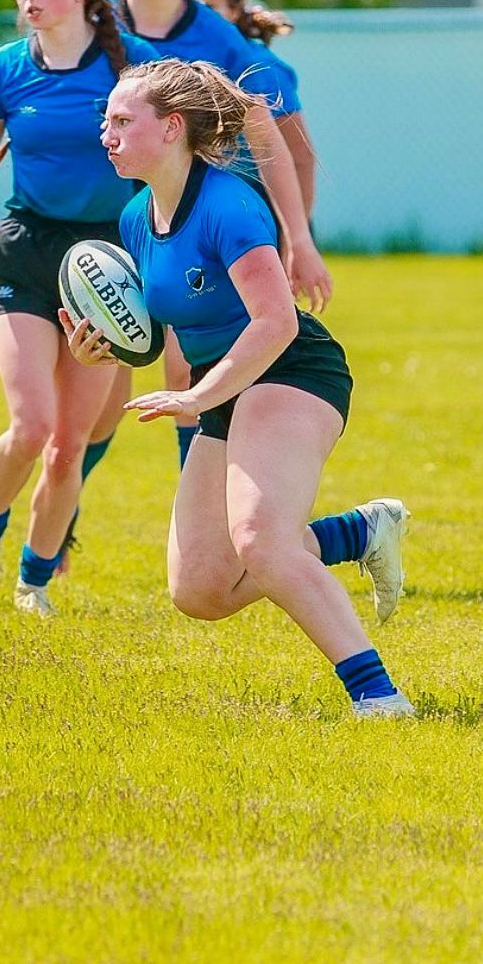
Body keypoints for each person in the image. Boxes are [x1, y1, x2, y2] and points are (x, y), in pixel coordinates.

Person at [63, 58, 414, 719]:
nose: (104, 133)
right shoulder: (137, 217)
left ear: (170, 128)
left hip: (290, 370)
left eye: (119, 121)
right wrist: (103, 346)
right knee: (200, 590)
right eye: (103, 121)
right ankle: (359, 532)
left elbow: (276, 321)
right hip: (223, 385)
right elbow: (158, 323)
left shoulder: (228, 205)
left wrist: (198, 397)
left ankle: (379, 697)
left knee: (258, 539)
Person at [0, 0, 160, 616]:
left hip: (108, 259)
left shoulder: (135, 66)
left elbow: (172, 158)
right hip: (26, 250)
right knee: (31, 425)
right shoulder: (5, 68)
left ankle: (34, 586)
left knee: (70, 448)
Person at [100, 0, 332, 472]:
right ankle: (58, 522)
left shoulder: (218, 38)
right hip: (116, 212)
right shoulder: (93, 20)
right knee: (101, 387)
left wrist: (298, 238)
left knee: (185, 365)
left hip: (199, 213)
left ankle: (205, 489)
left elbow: (273, 134)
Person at [198, 0, 318, 220]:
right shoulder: (181, 64)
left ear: (235, 10)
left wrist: (297, 238)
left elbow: (301, 158)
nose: (199, 17)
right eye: (191, 6)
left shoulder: (259, 66)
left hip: (266, 212)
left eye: (209, 7)